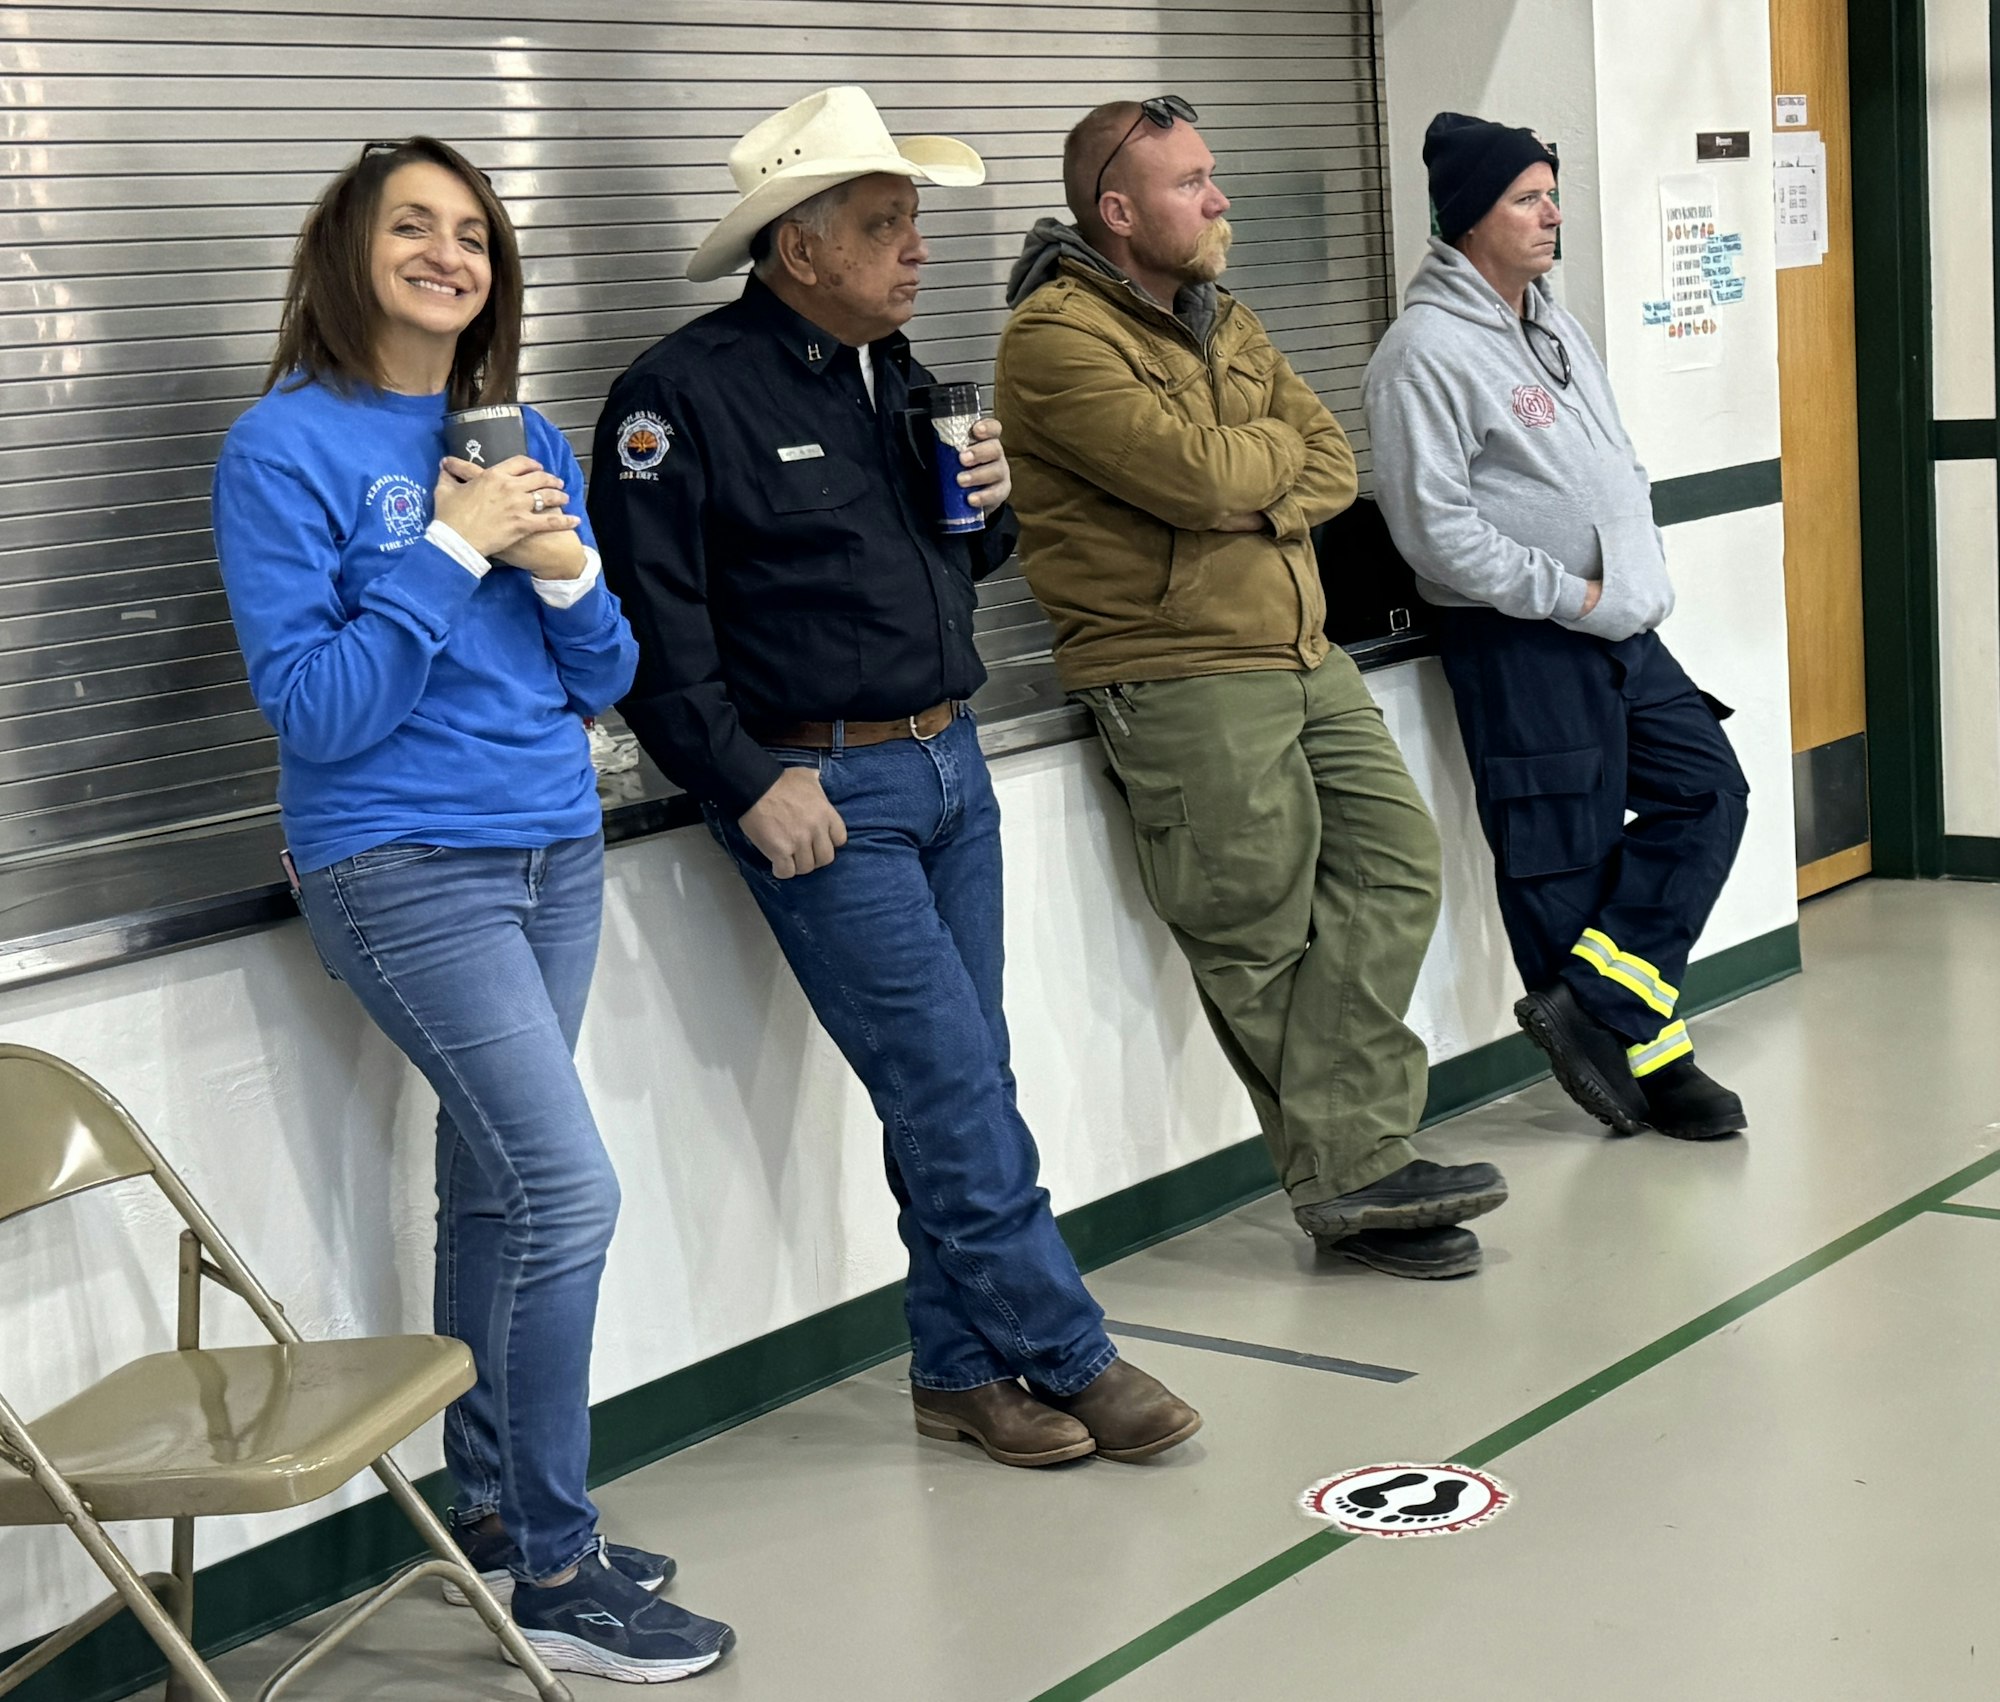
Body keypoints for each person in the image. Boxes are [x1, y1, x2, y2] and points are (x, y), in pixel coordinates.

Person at [588, 87, 1200, 1468]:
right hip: (823, 797)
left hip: (950, 764)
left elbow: (938, 572)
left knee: (959, 1077)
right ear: (797, 249)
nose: (917, 248)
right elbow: (650, 637)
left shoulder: (900, 373)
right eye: (884, 224)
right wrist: (748, 782)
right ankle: (1070, 1349)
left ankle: (958, 1371)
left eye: (914, 220)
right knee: (955, 1088)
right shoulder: (677, 398)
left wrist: (990, 510)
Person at [211, 136, 736, 1683]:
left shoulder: (519, 433)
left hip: (551, 847)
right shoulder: (280, 447)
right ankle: (560, 1572)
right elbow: (316, 706)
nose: (450, 255)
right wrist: (451, 548)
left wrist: (565, 568)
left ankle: (499, 1517)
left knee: (501, 1196)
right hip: (399, 865)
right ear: (346, 254)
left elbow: (608, 677)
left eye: (472, 234)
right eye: (413, 229)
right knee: (568, 1192)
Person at [992, 99, 1509, 1281]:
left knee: (1395, 861)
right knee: (1255, 932)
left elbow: (1325, 456)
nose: (1218, 199)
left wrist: (1248, 482)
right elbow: (1188, 476)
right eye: (1190, 184)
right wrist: (1240, 471)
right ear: (1117, 214)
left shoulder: (1220, 315)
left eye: (1212, 175)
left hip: (1298, 648)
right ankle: (1358, 1174)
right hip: (1175, 670)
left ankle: (1349, 1166)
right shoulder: (1053, 338)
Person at [1363, 113, 1751, 1142]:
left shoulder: (1549, 319)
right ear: (1466, 219)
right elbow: (1434, 532)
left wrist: (1624, 579)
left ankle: (1598, 1007)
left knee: (1706, 790)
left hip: (1618, 625)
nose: (1550, 214)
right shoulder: (1421, 353)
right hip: (1523, 636)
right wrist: (1572, 593)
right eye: (1526, 199)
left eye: (1550, 193)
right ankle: (1651, 1059)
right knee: (1560, 849)